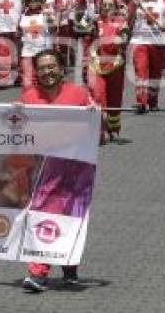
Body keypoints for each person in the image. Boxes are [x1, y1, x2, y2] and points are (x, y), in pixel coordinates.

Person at [19, 49, 95, 292]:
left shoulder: (79, 94)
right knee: (42, 215)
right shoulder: (29, 96)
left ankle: (69, 265)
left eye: (52, 66)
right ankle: (38, 272)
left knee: (70, 217)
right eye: (42, 68)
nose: (47, 72)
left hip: (74, 170)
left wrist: (95, 114)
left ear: (62, 69)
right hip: (41, 170)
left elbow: (96, 131)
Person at [127, 0, 165, 114]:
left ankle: (153, 101)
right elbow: (129, 23)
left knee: (155, 74)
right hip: (139, 40)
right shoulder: (136, 0)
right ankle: (141, 102)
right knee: (141, 71)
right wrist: (133, 9)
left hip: (158, 41)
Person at [87, 0, 129, 142]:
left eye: (110, 5)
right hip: (96, 64)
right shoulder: (94, 20)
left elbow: (125, 38)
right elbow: (79, 28)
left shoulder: (121, 21)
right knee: (97, 96)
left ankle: (114, 129)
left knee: (114, 99)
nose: (106, 7)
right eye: (104, 5)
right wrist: (88, 24)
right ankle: (100, 129)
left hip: (115, 65)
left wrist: (123, 36)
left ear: (115, 7)